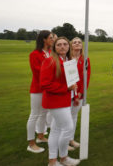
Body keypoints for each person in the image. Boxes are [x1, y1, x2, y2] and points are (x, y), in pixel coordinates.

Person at [40, 37, 80, 166]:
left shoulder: (68, 61)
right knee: (68, 128)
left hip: (65, 98)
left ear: (68, 47)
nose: (62, 47)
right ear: (55, 47)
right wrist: (66, 88)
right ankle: (63, 157)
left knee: (56, 130)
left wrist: (73, 89)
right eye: (59, 45)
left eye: (64, 44)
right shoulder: (49, 61)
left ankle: (53, 161)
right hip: (55, 100)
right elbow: (45, 84)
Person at [27, 30, 54, 153]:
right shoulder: (34, 54)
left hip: (47, 89)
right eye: (50, 38)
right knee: (34, 115)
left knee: (43, 113)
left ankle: (41, 136)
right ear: (44, 39)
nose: (53, 40)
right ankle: (31, 143)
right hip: (38, 89)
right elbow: (38, 72)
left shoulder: (49, 52)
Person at [68, 37, 91, 150]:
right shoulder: (67, 59)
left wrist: (81, 92)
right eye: (74, 42)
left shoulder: (85, 59)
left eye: (79, 42)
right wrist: (74, 93)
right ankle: (63, 142)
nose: (77, 44)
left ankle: (71, 139)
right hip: (68, 93)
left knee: (74, 116)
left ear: (82, 45)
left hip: (80, 93)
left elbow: (86, 77)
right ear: (71, 45)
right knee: (65, 118)